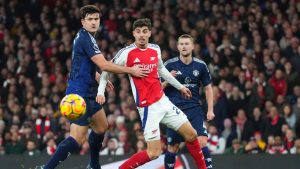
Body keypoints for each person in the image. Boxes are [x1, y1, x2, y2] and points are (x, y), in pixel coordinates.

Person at [35, 5, 147, 169]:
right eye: (90, 19)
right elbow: (103, 64)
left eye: (96, 19)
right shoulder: (85, 38)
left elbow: (81, 63)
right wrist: (131, 70)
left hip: (89, 91)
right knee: (77, 139)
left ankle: (93, 165)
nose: (94, 22)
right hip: (78, 95)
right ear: (83, 21)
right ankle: (46, 168)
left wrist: (96, 76)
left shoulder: (85, 37)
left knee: (101, 127)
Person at [97, 18, 207, 169]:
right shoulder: (126, 53)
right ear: (133, 33)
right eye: (138, 32)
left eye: (144, 31)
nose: (141, 35)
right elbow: (106, 69)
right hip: (148, 108)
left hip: (163, 101)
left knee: (192, 135)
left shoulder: (155, 49)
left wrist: (180, 86)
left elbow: (161, 70)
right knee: (154, 152)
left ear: (149, 33)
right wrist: (101, 91)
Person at [162, 34, 214, 169]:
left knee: (202, 142)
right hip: (174, 111)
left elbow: (208, 88)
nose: (184, 46)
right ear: (178, 46)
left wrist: (210, 110)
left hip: (194, 109)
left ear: (192, 46)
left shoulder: (200, 65)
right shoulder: (168, 65)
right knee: (173, 147)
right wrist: (168, 79)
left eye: (187, 44)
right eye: (182, 44)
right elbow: (156, 88)